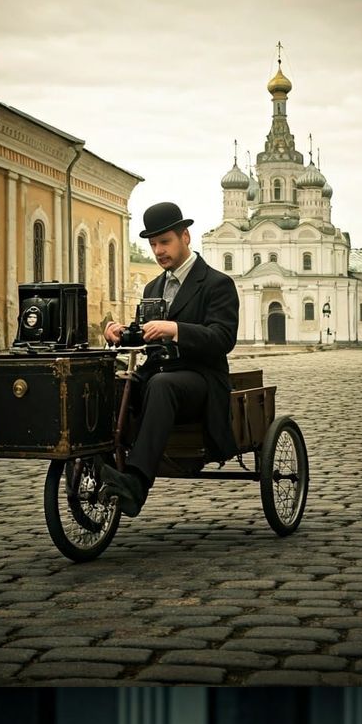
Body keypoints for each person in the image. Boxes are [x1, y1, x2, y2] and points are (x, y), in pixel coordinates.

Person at [97, 202, 239, 517]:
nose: (158, 251)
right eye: (153, 244)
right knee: (108, 383)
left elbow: (223, 339)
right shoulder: (153, 287)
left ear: (185, 237)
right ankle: (102, 465)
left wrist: (175, 329)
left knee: (162, 384)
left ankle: (136, 483)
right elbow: (146, 339)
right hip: (158, 374)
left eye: (165, 242)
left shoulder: (217, 284)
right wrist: (121, 334)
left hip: (201, 379)